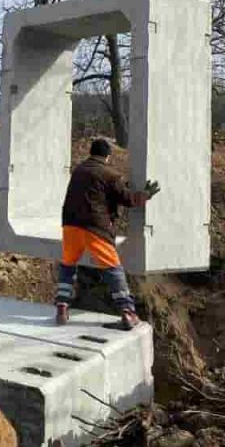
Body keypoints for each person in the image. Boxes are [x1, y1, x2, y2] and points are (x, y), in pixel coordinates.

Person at [56, 138, 159, 329]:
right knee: (113, 268)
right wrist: (144, 195)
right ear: (107, 156)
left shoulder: (79, 170)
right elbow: (127, 199)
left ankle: (62, 307)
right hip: (95, 226)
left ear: (91, 152)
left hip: (70, 225)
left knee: (68, 265)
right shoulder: (110, 174)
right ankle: (128, 313)